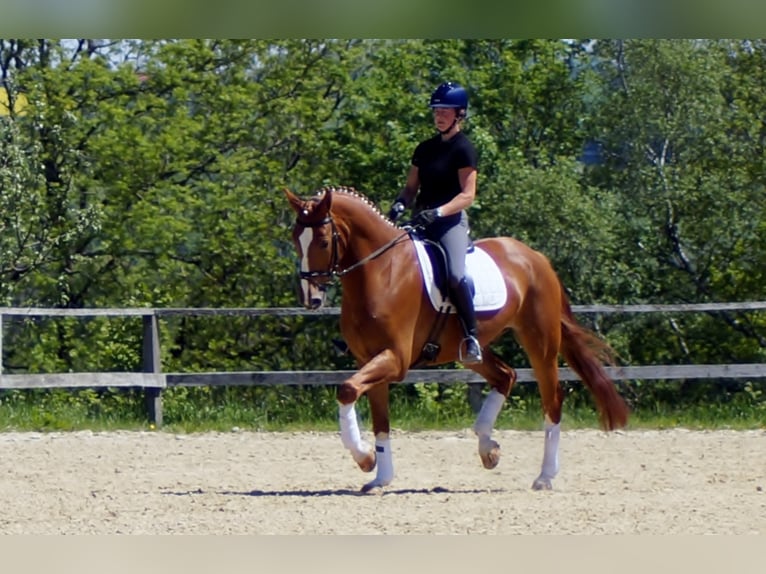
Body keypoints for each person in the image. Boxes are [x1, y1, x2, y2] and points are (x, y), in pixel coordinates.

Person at [387, 81, 482, 364]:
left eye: (445, 110)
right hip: (421, 221)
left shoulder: (464, 149)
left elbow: (468, 195)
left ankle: (472, 336)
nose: (439, 115)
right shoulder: (424, 148)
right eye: (436, 110)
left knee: (454, 275)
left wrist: (439, 212)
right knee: (385, 262)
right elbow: (410, 188)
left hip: (449, 223)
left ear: (459, 114)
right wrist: (399, 204)